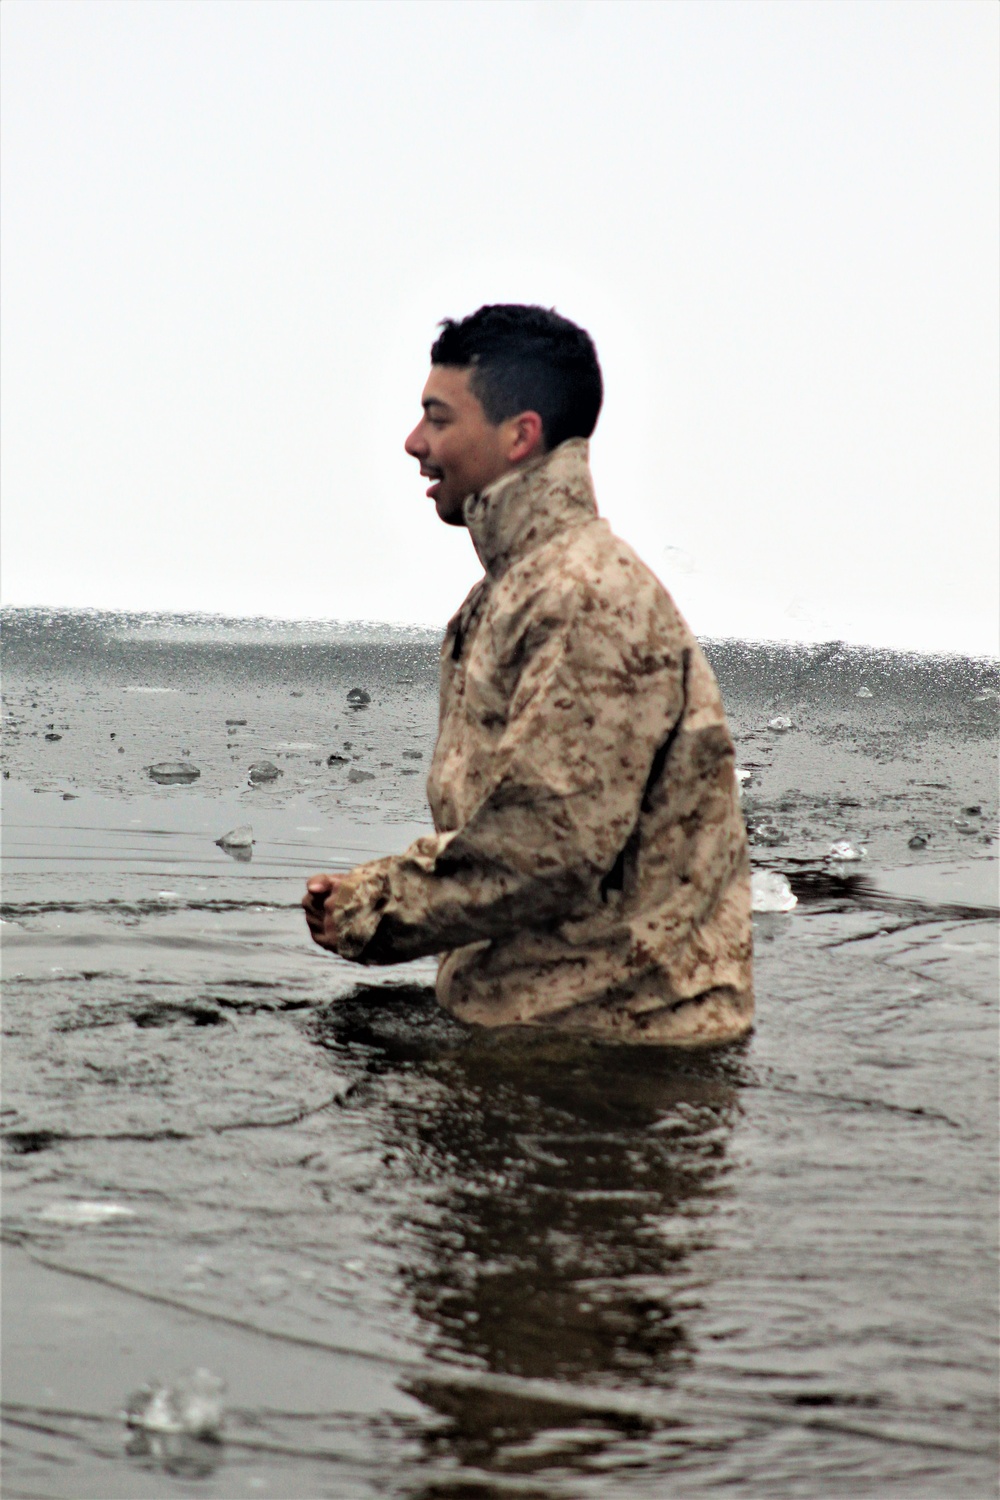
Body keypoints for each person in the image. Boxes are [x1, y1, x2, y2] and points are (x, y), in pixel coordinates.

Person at [304, 304, 752, 1045]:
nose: (415, 443)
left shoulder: (584, 596)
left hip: (616, 1048)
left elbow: (551, 845)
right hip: (544, 1024)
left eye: (439, 419)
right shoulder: (512, 592)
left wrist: (372, 905)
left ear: (521, 435)